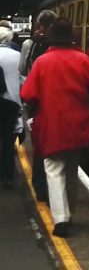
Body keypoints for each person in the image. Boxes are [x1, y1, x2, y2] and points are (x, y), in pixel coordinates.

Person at [21, 18, 89, 237]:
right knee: (71, 170)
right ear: (72, 37)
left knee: (54, 170)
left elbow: (28, 94)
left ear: (50, 36)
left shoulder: (42, 62)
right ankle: (70, 213)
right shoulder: (84, 60)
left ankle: (60, 219)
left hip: (51, 124)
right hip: (78, 125)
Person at [19, 9, 57, 202]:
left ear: (39, 24)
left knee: (40, 144)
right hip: (59, 100)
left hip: (38, 101)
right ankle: (56, 189)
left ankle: (40, 187)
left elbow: (23, 69)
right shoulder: (62, 44)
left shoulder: (30, 44)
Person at [0, 26, 22, 188]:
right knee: (8, 141)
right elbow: (22, 78)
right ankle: (7, 175)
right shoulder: (17, 56)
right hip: (12, 102)